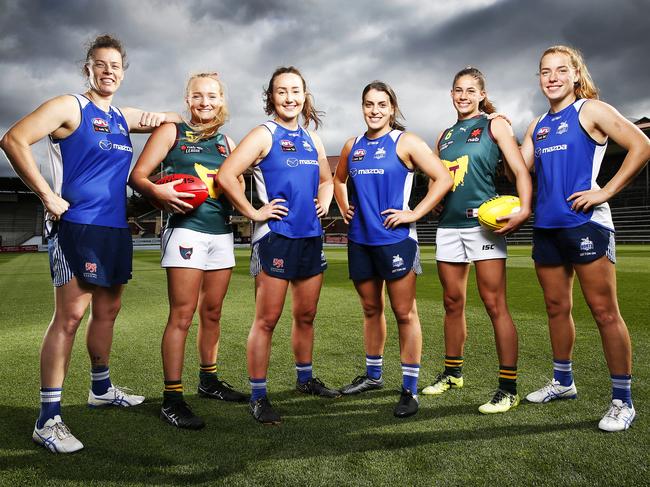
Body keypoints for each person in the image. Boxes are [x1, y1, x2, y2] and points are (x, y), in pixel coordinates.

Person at [0, 34, 179, 453]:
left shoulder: (120, 116)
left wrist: (177, 119)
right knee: (70, 317)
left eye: (116, 65)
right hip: (75, 224)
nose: (109, 71)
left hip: (114, 228)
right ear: (88, 68)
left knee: (109, 309)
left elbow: (168, 118)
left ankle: (101, 388)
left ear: (123, 71)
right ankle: (48, 419)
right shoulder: (69, 107)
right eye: (101, 64)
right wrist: (47, 195)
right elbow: (12, 139)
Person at [520, 46, 650, 431]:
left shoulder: (591, 110)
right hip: (546, 228)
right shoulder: (537, 124)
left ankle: (622, 401)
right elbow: (517, 168)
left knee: (605, 312)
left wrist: (605, 191)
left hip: (586, 225)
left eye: (562, 70)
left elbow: (641, 146)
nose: (553, 77)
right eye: (545, 71)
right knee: (556, 308)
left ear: (577, 75)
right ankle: (563, 382)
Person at [216, 66, 339, 425]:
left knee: (306, 316)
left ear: (305, 95)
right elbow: (226, 175)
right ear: (271, 97)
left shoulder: (312, 139)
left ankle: (305, 379)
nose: (289, 97)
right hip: (275, 238)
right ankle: (258, 395)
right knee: (267, 320)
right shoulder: (263, 134)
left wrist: (326, 200)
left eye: (295, 91)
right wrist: (255, 211)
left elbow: (327, 179)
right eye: (281, 91)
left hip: (309, 237)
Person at [129, 72, 248, 430]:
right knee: (182, 314)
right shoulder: (171, 132)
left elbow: (235, 183)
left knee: (212, 313)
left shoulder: (228, 141)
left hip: (222, 234)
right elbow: (139, 175)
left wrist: (238, 186)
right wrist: (159, 193)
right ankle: (172, 398)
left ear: (222, 99)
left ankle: (208, 381)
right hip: (185, 233)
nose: (205, 102)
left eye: (212, 96)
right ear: (187, 99)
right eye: (197, 96)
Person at [334, 81, 453, 418]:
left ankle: (409, 389)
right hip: (360, 241)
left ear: (392, 108)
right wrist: (343, 205)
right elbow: (339, 180)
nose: (375, 110)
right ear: (362, 107)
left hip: (396, 240)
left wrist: (415, 212)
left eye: (382, 105)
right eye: (369, 104)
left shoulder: (406, 142)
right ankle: (373, 376)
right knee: (371, 309)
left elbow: (442, 178)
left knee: (405, 313)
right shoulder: (352, 145)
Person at [420, 67, 532, 414]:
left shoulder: (495, 124)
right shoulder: (445, 135)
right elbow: (437, 177)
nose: (463, 96)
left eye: (471, 90)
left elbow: (519, 169)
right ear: (451, 94)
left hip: (483, 225)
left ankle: (508, 387)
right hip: (449, 227)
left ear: (482, 94)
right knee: (452, 302)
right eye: (458, 90)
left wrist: (525, 208)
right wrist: (433, 198)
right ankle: (453, 373)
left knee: (494, 304)